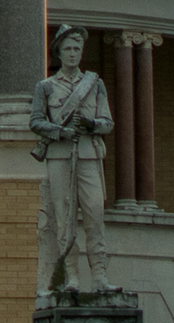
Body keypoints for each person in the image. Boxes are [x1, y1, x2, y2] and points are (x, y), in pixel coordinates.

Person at [30, 26, 116, 297]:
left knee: (95, 214)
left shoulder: (95, 83)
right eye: (67, 48)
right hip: (59, 156)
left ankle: (100, 276)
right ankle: (72, 277)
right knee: (65, 219)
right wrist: (59, 132)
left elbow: (108, 122)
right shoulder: (45, 87)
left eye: (77, 48)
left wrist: (92, 124)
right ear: (59, 51)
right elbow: (35, 121)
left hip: (89, 155)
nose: (72, 54)